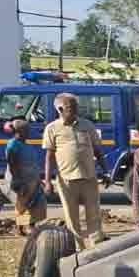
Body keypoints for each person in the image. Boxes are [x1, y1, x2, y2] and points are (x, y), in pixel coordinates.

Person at [42, 93, 108, 248]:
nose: (76, 110)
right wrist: (47, 181)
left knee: (94, 214)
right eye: (71, 107)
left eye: (76, 106)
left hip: (89, 177)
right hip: (66, 180)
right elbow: (49, 156)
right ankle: (78, 249)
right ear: (60, 109)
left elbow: (98, 151)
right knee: (72, 217)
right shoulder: (52, 128)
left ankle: (97, 246)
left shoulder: (87, 125)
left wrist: (105, 171)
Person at [5, 119, 46, 235]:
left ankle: (31, 226)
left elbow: (32, 163)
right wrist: (18, 182)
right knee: (22, 204)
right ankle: (21, 228)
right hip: (22, 180)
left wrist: (39, 179)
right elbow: (12, 164)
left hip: (32, 179)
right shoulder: (13, 144)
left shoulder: (26, 145)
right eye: (27, 130)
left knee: (36, 203)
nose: (29, 132)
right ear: (19, 131)